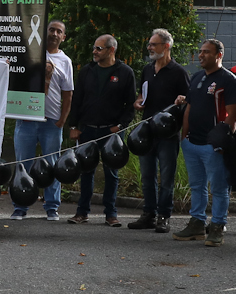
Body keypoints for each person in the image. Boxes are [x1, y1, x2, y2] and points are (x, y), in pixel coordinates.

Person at [175, 39, 236, 246]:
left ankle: (217, 226)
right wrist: (184, 138)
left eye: (207, 52)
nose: (201, 55)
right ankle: (197, 223)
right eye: (200, 51)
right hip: (192, 143)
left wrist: (221, 141)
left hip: (212, 145)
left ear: (219, 55)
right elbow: (188, 108)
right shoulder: (196, 77)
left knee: (219, 187)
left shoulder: (229, 80)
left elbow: (234, 115)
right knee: (197, 186)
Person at [66, 34, 136, 227]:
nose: (94, 52)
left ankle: (111, 214)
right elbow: (77, 100)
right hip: (87, 130)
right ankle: (82, 212)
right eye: (94, 48)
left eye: (99, 48)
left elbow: (130, 105)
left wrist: (119, 126)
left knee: (111, 172)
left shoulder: (125, 72)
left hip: (112, 132)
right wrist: (74, 126)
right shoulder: (87, 71)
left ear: (111, 50)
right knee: (86, 171)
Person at [11, 19, 75, 221]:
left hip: (52, 122)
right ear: (44, 32)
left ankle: (52, 207)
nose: (55, 34)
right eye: (51, 30)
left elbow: (68, 94)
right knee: (23, 164)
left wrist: (62, 121)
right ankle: (20, 206)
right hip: (27, 120)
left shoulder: (65, 61)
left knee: (52, 165)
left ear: (63, 37)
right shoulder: (29, 53)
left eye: (59, 31)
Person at [132, 28, 190, 233]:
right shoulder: (147, 70)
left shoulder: (179, 72)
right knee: (147, 176)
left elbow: (187, 102)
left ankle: (164, 215)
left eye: (153, 44)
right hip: (146, 132)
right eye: (149, 44)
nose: (149, 47)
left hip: (168, 134)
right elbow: (142, 94)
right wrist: (138, 101)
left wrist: (182, 102)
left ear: (166, 46)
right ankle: (148, 214)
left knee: (166, 178)